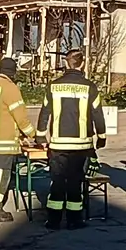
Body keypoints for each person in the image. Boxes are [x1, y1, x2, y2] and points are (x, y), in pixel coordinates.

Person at [37, 49, 106, 230]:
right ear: (82, 64)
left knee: (57, 181)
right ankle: (75, 220)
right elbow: (97, 113)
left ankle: (53, 221)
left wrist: (40, 135)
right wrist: (101, 136)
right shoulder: (90, 87)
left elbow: (45, 112)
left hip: (58, 144)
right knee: (75, 181)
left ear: (66, 64)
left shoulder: (53, 86)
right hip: (81, 145)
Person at [0, 57, 36, 223]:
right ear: (13, 72)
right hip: (3, 142)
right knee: (0, 177)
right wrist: (33, 134)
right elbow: (20, 116)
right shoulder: (10, 87)